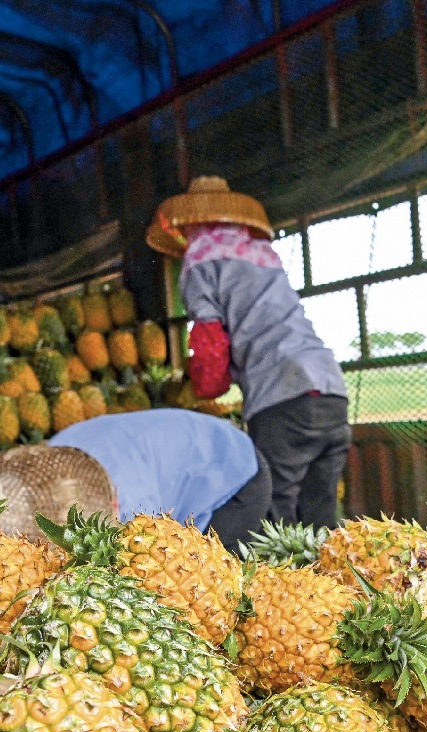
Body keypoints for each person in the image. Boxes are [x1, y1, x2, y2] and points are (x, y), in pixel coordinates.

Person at [147, 177, 351, 530]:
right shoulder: (262, 254)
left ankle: (280, 584)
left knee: (272, 512)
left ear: (190, 223)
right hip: (331, 388)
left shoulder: (199, 259)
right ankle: (334, 583)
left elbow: (210, 344)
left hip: (281, 394)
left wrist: (203, 388)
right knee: (321, 512)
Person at [0, 409, 272, 551]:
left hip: (234, 473)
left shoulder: (131, 507)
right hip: (178, 451)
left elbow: (155, 563)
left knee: (209, 584)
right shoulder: (49, 461)